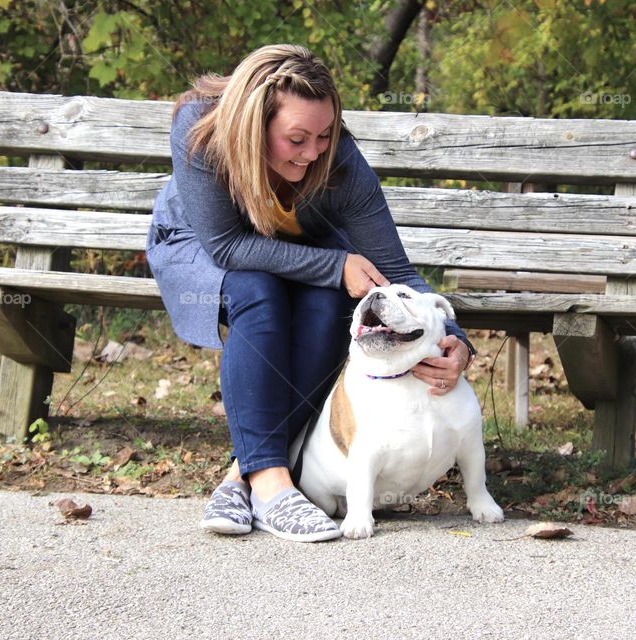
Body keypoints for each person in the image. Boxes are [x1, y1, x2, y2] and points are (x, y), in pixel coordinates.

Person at [146, 44, 476, 543]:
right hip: (205, 245)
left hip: (301, 252)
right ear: (254, 126)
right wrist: (334, 263)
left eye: (323, 135)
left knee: (329, 302)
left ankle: (242, 478)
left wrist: (456, 338)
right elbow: (228, 245)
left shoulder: (338, 160)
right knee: (256, 290)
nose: (313, 151)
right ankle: (275, 486)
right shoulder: (201, 127)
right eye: (296, 138)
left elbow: (393, 267)